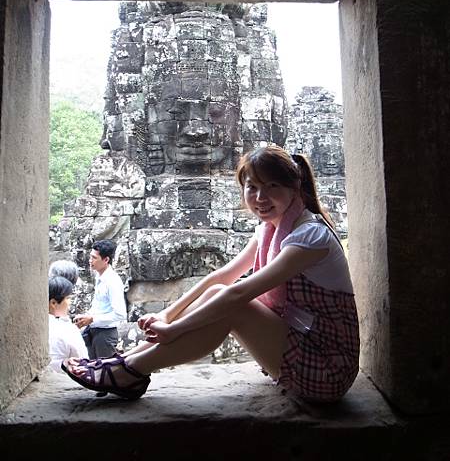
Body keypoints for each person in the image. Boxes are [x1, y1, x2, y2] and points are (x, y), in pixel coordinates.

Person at [62, 145, 360, 403]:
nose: (260, 197)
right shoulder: (271, 229)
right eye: (252, 187)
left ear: (294, 188)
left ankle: (129, 372)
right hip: (299, 346)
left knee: (234, 306)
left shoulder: (310, 236)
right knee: (220, 294)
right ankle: (126, 364)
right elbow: (222, 277)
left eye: (272, 187)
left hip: (327, 368)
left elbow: (240, 293)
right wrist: (168, 315)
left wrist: (175, 329)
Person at [73, 239, 127, 359]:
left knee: (104, 373)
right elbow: (100, 305)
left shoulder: (113, 281)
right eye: (90, 257)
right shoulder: (99, 275)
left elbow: (120, 314)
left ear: (106, 260)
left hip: (105, 334)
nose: (90, 260)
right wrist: (86, 317)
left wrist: (92, 319)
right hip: (93, 330)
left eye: (94, 258)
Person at [48, 276, 88, 373]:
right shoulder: (68, 330)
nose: (71, 302)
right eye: (68, 298)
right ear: (53, 303)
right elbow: (82, 361)